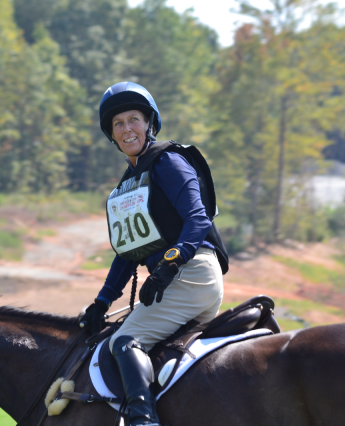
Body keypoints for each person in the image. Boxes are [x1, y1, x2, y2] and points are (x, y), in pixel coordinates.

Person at [81, 82, 229, 426]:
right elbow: (128, 253)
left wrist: (168, 265)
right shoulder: (128, 183)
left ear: (149, 124)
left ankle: (143, 422)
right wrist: (101, 303)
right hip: (175, 280)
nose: (126, 129)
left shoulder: (168, 161)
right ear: (112, 134)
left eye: (133, 119)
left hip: (191, 275)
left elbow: (198, 219)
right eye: (118, 124)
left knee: (124, 341)